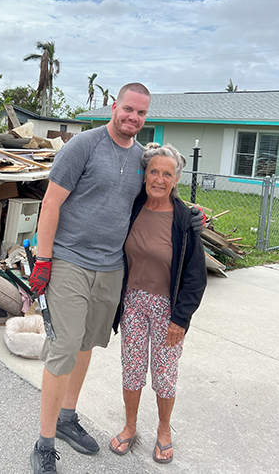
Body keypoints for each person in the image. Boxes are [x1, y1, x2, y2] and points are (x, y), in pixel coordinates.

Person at [28, 82, 153, 474]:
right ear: (114, 106)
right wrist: (43, 260)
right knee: (64, 345)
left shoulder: (141, 158)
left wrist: (191, 215)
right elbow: (51, 202)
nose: (133, 117)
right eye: (128, 109)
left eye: (141, 113)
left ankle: (67, 417)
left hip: (110, 267)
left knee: (86, 344)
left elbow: (159, 196)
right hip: (68, 261)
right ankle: (44, 443)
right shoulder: (82, 147)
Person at [108, 143, 207, 464]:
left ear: (176, 179)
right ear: (145, 175)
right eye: (154, 172)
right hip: (132, 302)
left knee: (165, 374)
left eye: (168, 173)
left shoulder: (184, 220)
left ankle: (164, 431)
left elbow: (195, 276)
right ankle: (130, 426)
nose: (160, 179)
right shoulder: (133, 206)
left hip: (168, 307)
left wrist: (182, 319)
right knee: (132, 368)